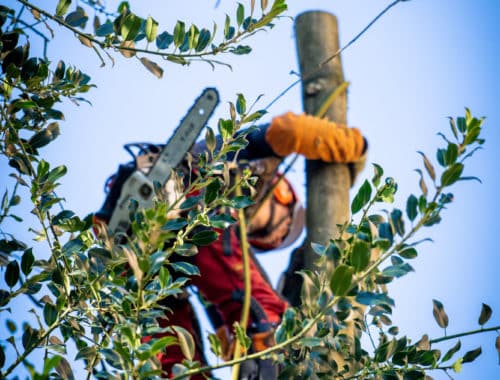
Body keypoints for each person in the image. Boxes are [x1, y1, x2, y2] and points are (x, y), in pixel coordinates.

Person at [95, 111, 366, 379]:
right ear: (282, 195)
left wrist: (230, 336)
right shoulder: (247, 158)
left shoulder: (216, 249)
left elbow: (216, 293)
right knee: (265, 320)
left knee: (175, 363)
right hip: (188, 204)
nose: (261, 237)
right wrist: (353, 147)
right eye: (275, 232)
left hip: (145, 258)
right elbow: (288, 129)